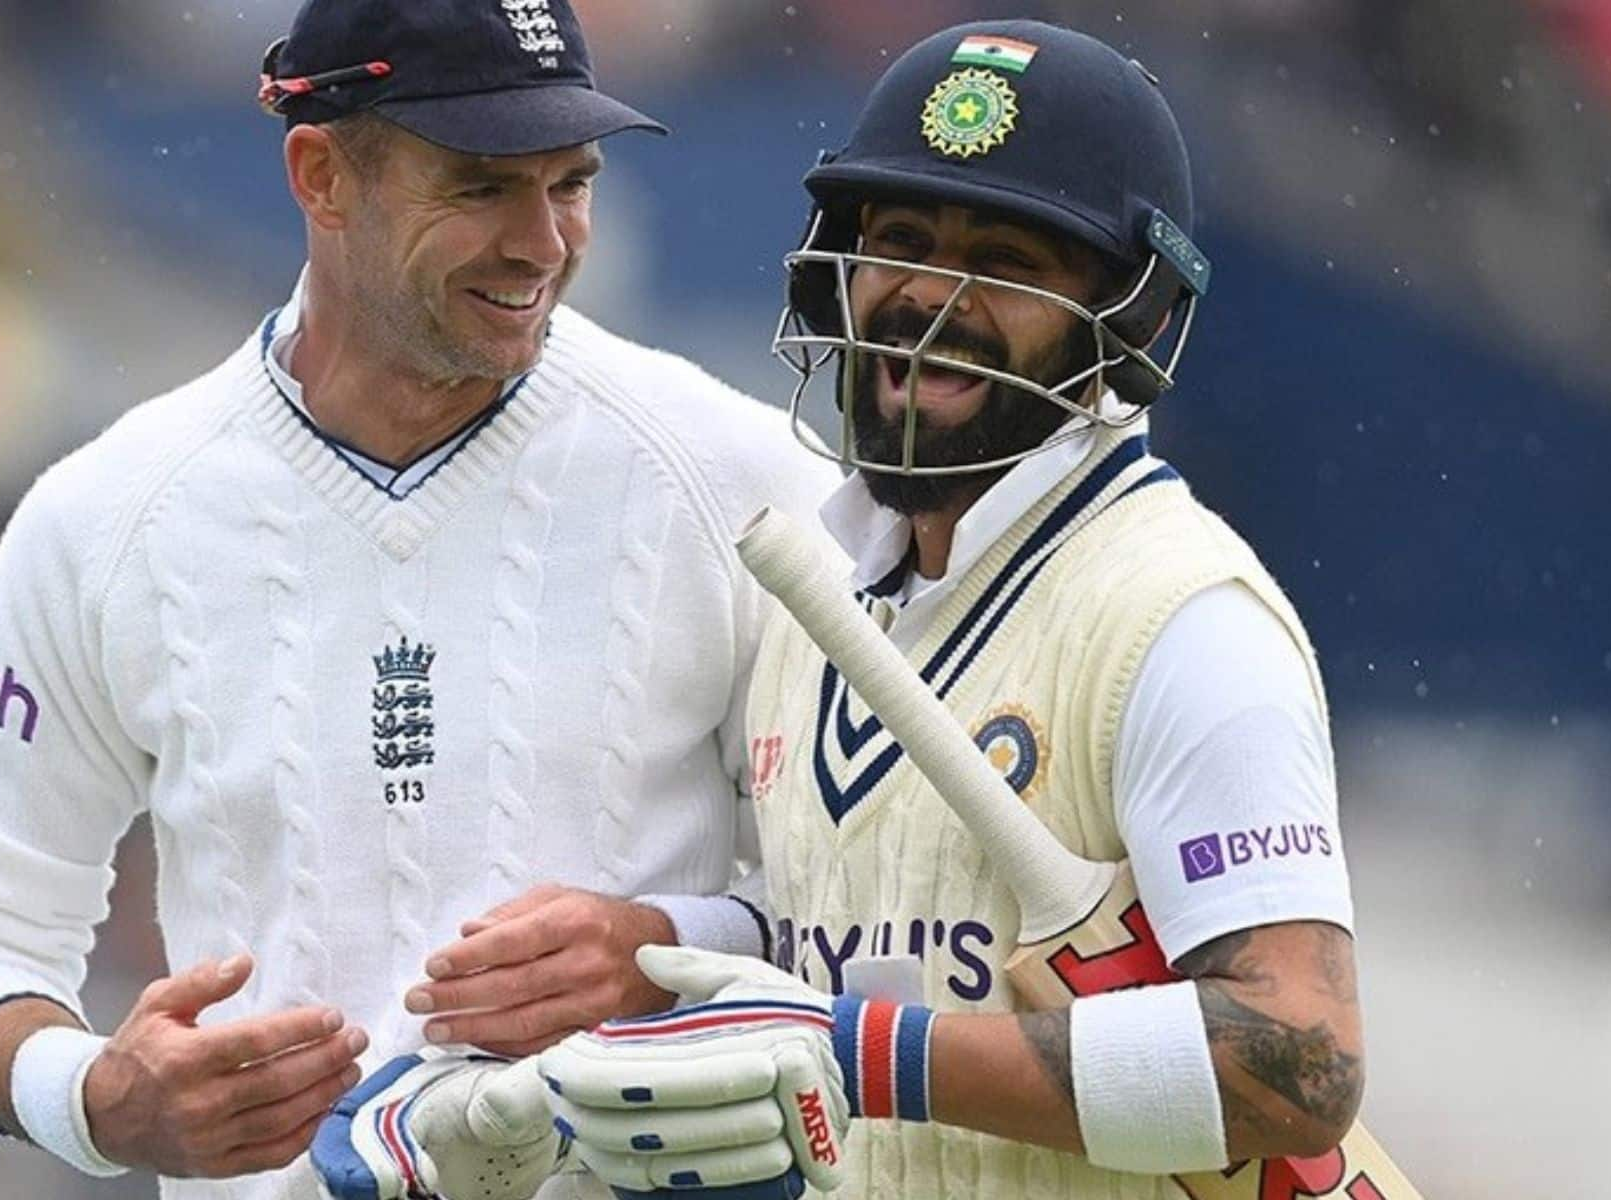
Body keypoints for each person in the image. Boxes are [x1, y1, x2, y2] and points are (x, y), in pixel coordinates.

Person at [0, 1, 838, 1197]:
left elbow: (894, 906)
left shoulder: (743, 481)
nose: (542, 243)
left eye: (571, 183)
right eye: (482, 187)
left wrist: (675, 950)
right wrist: (95, 1100)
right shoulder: (105, 519)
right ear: (320, 173)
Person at [535, 21, 1365, 1200]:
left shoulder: (1181, 617)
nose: (931, 297)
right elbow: (862, 936)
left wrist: (864, 1055)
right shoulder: (814, 592)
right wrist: (658, 957)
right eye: (904, 240)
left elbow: (1298, 1069)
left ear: (1124, 318)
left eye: (1010, 261)